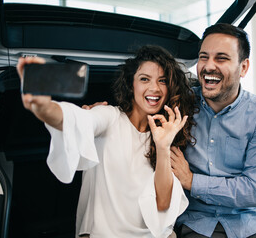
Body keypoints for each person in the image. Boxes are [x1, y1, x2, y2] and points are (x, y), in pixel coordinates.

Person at [16, 45, 196, 238]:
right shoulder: (109, 117)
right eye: (144, 79)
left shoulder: (168, 132)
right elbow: (75, 119)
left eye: (162, 81)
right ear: (130, 84)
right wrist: (43, 107)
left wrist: (162, 147)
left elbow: (163, 205)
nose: (154, 88)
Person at [170, 23, 256, 238]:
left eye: (221, 58)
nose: (208, 66)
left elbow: (255, 191)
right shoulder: (181, 104)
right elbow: (139, 112)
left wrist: (192, 181)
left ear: (243, 67)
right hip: (196, 222)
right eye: (204, 57)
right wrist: (101, 113)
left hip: (252, 223)